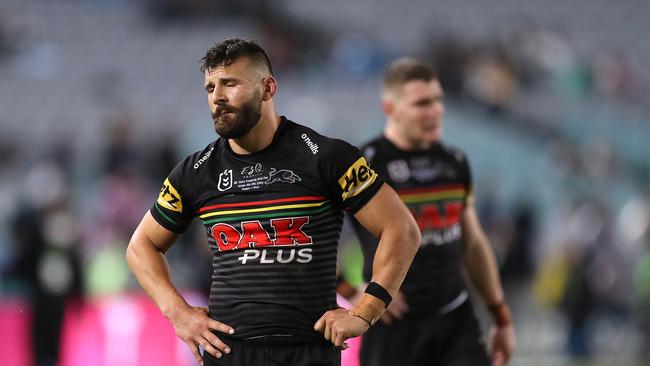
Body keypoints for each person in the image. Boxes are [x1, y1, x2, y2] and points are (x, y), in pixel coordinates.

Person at [125, 38, 421, 366]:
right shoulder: (197, 171)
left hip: (308, 352)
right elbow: (141, 247)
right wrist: (178, 313)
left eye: (230, 84)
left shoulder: (325, 157)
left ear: (268, 88)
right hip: (229, 353)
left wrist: (366, 311)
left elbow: (402, 229)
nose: (217, 97)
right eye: (210, 88)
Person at [346, 57, 516, 366]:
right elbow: (312, 235)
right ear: (391, 108)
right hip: (391, 326)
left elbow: (473, 243)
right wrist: (350, 290)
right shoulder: (364, 164)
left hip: (455, 319)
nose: (435, 110)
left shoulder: (454, 162)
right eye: (422, 103)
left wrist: (500, 317)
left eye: (438, 100)